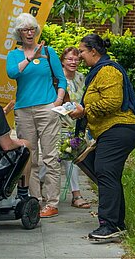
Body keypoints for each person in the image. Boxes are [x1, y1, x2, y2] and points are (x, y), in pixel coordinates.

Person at [69, 34, 135, 242]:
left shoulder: (108, 70)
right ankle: (117, 223)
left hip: (120, 129)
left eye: (82, 51)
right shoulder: (97, 71)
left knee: (105, 172)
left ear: (94, 51)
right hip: (111, 130)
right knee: (107, 173)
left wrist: (84, 110)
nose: (80, 55)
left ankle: (109, 225)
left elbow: (112, 102)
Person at [6, 13, 66, 218]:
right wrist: (30, 58)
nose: (30, 33)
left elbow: (62, 79)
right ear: (19, 33)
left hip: (47, 108)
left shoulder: (49, 52)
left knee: (51, 157)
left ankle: (52, 202)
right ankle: (34, 200)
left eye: (32, 29)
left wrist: (57, 102)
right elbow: (12, 73)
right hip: (23, 110)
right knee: (29, 158)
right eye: (25, 29)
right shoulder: (15, 55)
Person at [39, 47, 91, 208]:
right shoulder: (55, 79)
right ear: (62, 60)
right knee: (59, 158)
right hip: (57, 123)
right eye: (69, 59)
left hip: (76, 125)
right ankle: (75, 195)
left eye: (76, 59)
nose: (73, 62)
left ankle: (39, 184)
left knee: (67, 157)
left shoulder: (82, 78)